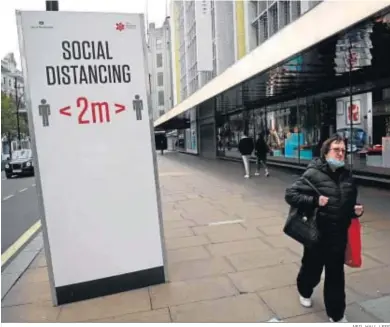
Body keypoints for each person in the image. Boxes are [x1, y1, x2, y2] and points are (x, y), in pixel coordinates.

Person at [284, 134, 364, 323]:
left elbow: (347, 206)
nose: (341, 153)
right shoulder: (313, 174)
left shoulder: (348, 177)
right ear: (326, 152)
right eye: (336, 149)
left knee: (336, 277)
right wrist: (314, 201)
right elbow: (291, 194)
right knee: (312, 270)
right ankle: (304, 290)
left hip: (338, 237)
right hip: (317, 236)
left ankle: (336, 315)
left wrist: (355, 212)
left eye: (343, 150)